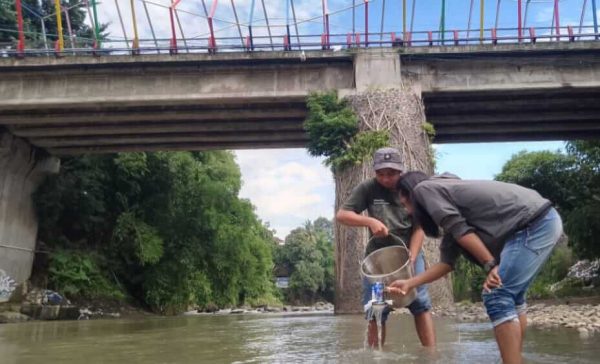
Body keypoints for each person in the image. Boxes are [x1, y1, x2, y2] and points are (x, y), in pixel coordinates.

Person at [388, 171, 563, 364]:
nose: (408, 212)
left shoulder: (424, 189)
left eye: (405, 204)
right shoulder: (452, 212)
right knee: (513, 297)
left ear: (412, 195)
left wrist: (490, 264)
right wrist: (410, 283)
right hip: (543, 220)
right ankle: (514, 359)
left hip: (533, 224)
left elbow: (460, 228)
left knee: (497, 293)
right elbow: (446, 265)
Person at [336, 147, 436, 348]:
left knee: (420, 305)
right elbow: (342, 215)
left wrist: (413, 256)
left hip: (409, 254)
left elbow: (419, 228)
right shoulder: (368, 188)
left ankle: (431, 354)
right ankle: (377, 356)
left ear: (400, 171)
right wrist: (370, 221)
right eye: (381, 174)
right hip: (377, 260)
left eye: (391, 174)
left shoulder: (411, 189)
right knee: (376, 310)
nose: (386, 178)